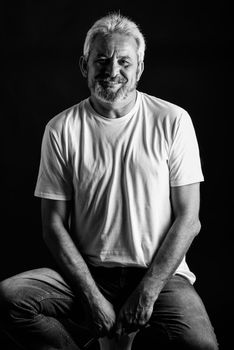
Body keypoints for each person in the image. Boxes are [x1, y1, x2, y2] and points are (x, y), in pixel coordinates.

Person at [0, 12, 218, 350]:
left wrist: (147, 291)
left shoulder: (173, 121)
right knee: (10, 298)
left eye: (124, 61)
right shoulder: (61, 129)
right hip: (89, 273)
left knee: (201, 346)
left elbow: (189, 220)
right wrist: (91, 295)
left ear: (140, 69)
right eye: (101, 60)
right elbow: (53, 226)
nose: (112, 70)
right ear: (84, 65)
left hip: (158, 274)